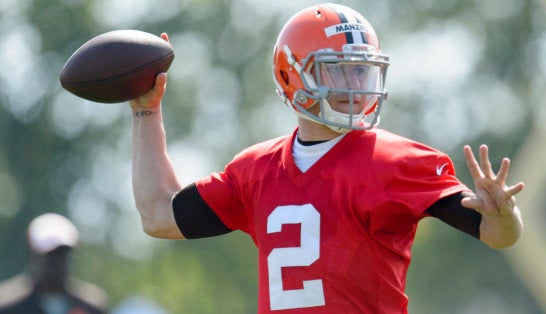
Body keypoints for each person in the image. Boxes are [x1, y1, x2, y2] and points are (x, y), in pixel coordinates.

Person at [128, 3, 524, 313]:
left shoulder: (396, 160)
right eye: (339, 72)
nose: (354, 86)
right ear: (291, 75)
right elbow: (158, 215)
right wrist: (146, 111)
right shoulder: (255, 171)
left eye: (361, 72)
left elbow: (497, 236)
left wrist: (503, 214)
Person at [0, 213, 108, 314]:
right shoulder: (8, 305)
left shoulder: (91, 305)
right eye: (50, 255)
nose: (57, 263)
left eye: (62, 254)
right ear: (34, 255)